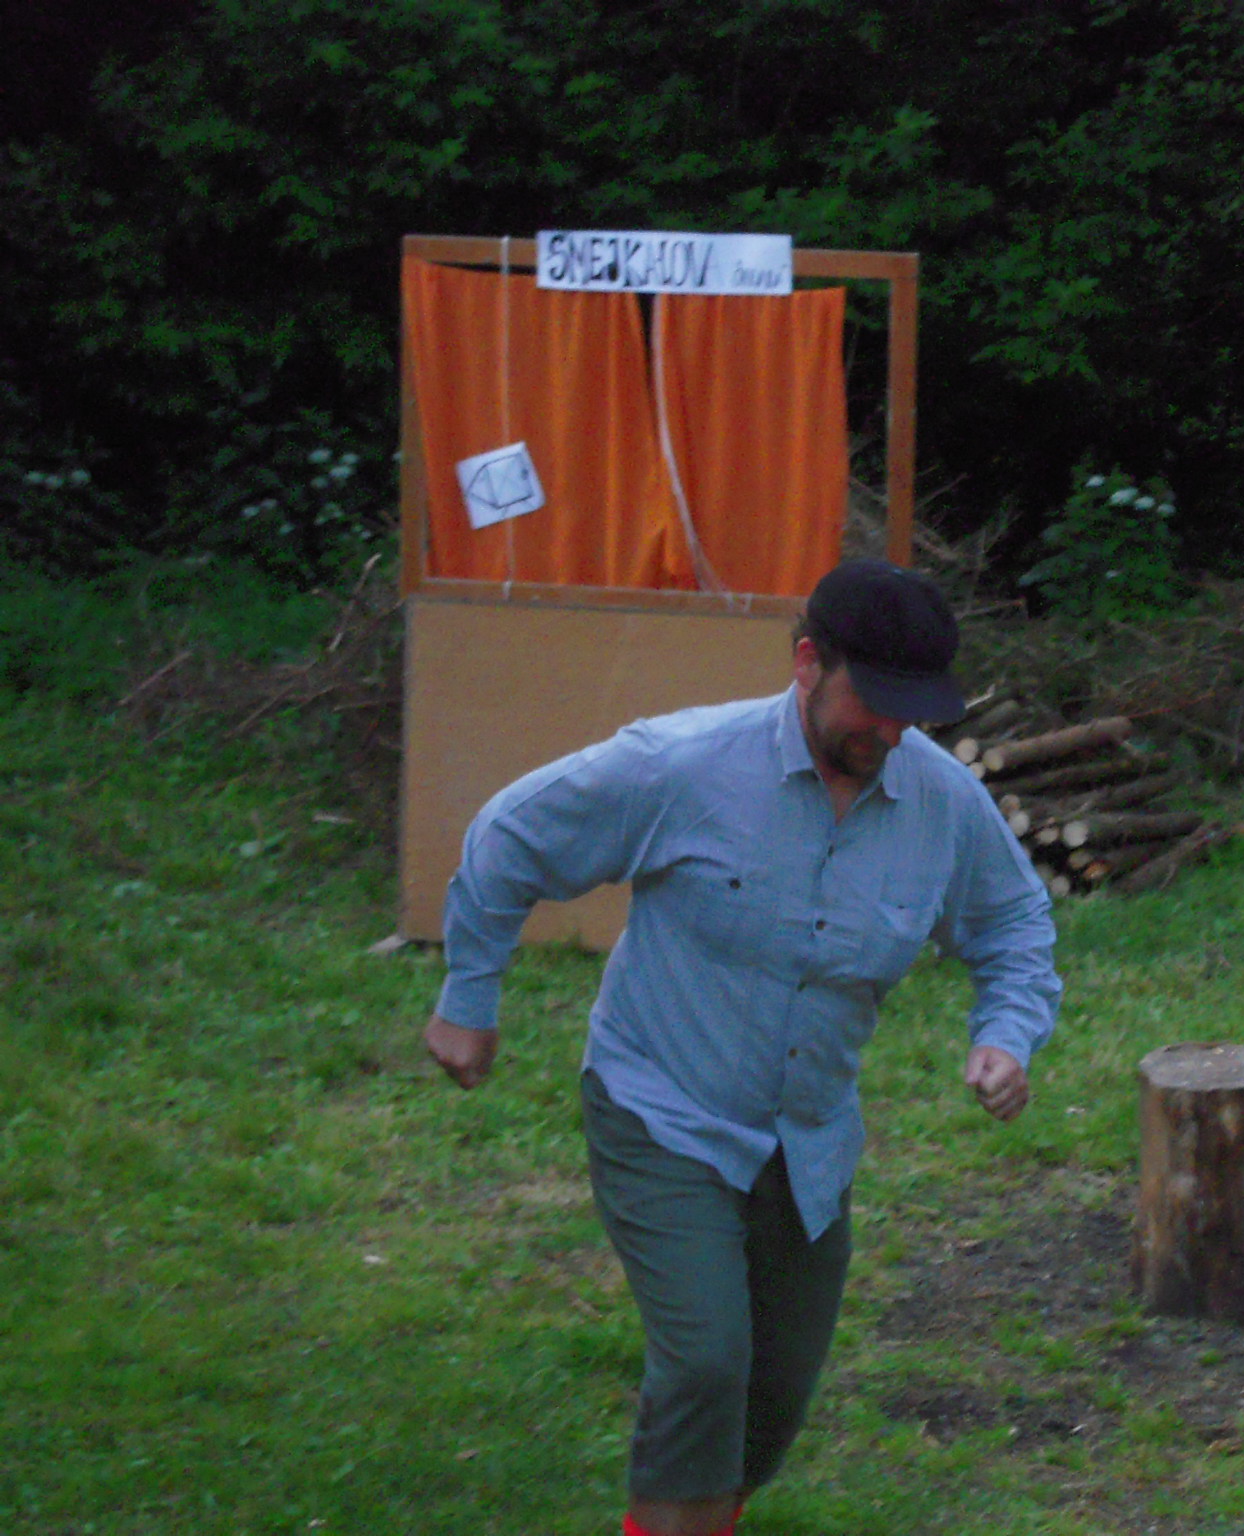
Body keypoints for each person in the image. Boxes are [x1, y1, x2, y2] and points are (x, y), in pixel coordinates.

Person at [421, 559, 1062, 1536]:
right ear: (807, 663)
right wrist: (469, 997)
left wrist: (1005, 1034)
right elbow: (510, 837)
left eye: (913, 712)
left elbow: (1013, 922)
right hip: (662, 1109)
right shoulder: (681, 766)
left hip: (807, 1143)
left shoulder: (939, 800)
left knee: (769, 1404)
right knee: (707, 1364)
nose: (893, 732)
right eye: (874, 702)